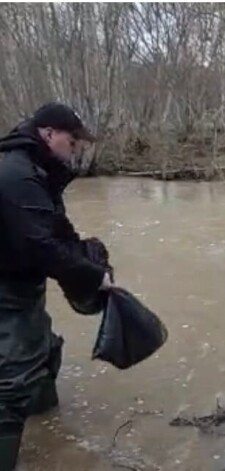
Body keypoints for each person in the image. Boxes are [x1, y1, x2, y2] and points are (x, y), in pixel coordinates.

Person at [0, 103, 113, 469]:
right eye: (72, 138)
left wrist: (85, 256)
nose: (76, 146)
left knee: (45, 354)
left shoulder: (38, 169)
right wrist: (92, 276)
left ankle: (45, 426)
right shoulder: (16, 175)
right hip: (6, 288)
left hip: (21, 283)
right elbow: (40, 246)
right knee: (13, 382)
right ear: (49, 134)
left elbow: (57, 229)